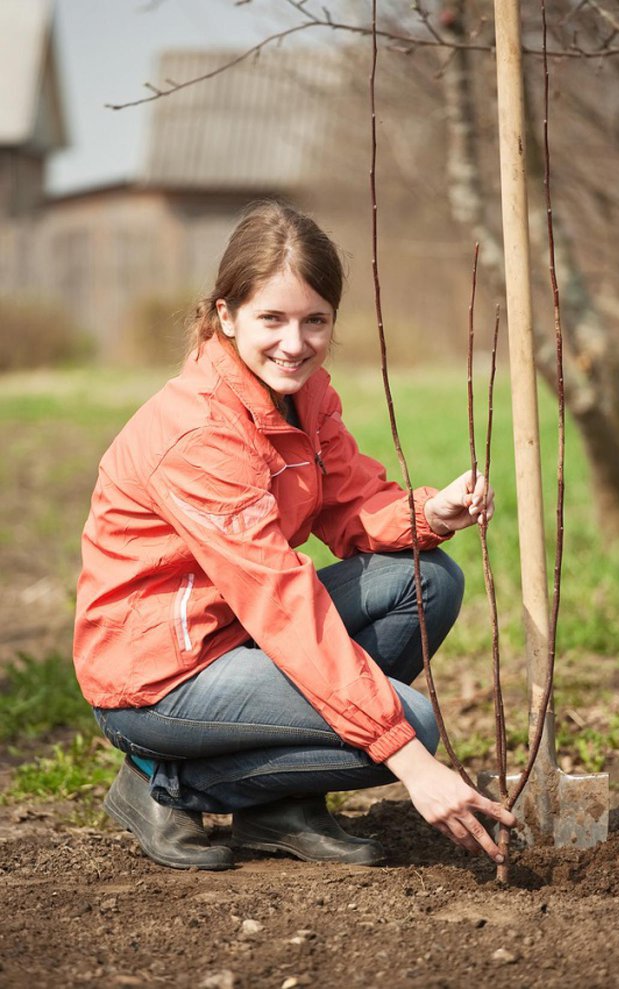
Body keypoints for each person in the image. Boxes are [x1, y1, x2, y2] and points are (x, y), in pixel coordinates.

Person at [73, 200, 516, 872]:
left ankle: (278, 806)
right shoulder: (200, 432)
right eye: (272, 319)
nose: (295, 342)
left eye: (315, 320)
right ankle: (160, 782)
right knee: (412, 724)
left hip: (235, 630)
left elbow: (350, 503)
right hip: (160, 673)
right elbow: (281, 602)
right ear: (225, 316)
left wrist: (432, 514)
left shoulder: (304, 398)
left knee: (427, 579)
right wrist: (407, 758)